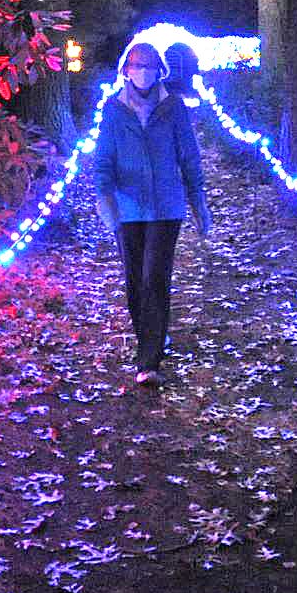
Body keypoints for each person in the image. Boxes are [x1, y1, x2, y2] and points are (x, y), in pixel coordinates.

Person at [94, 40, 211, 387]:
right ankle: (153, 336)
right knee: (134, 283)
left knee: (153, 279)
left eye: (147, 65)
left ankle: (149, 360)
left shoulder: (173, 107)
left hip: (165, 207)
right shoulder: (114, 110)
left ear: (158, 70)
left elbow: (188, 154)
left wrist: (197, 198)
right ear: (126, 71)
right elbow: (103, 158)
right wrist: (105, 196)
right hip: (127, 208)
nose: (141, 71)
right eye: (135, 65)